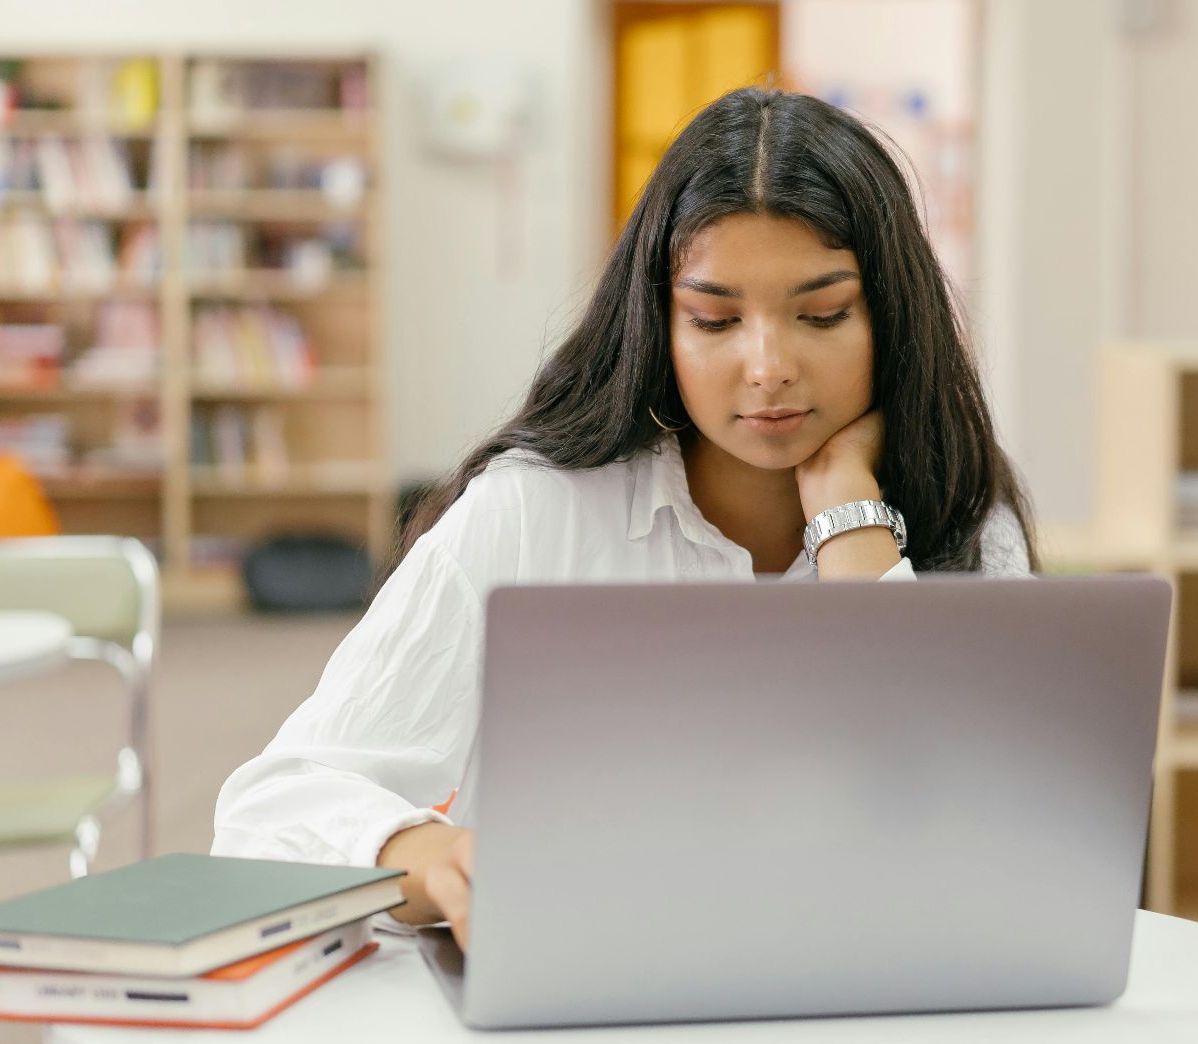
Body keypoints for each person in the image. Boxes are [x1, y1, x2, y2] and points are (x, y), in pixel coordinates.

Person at [212, 87, 1036, 950]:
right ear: (660, 325)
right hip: (583, 1001)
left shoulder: (967, 525)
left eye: (822, 314)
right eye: (715, 319)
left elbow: (986, 847)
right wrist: (433, 859)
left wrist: (854, 525)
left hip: (870, 994)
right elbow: (270, 811)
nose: (768, 368)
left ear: (892, 318)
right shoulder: (533, 513)